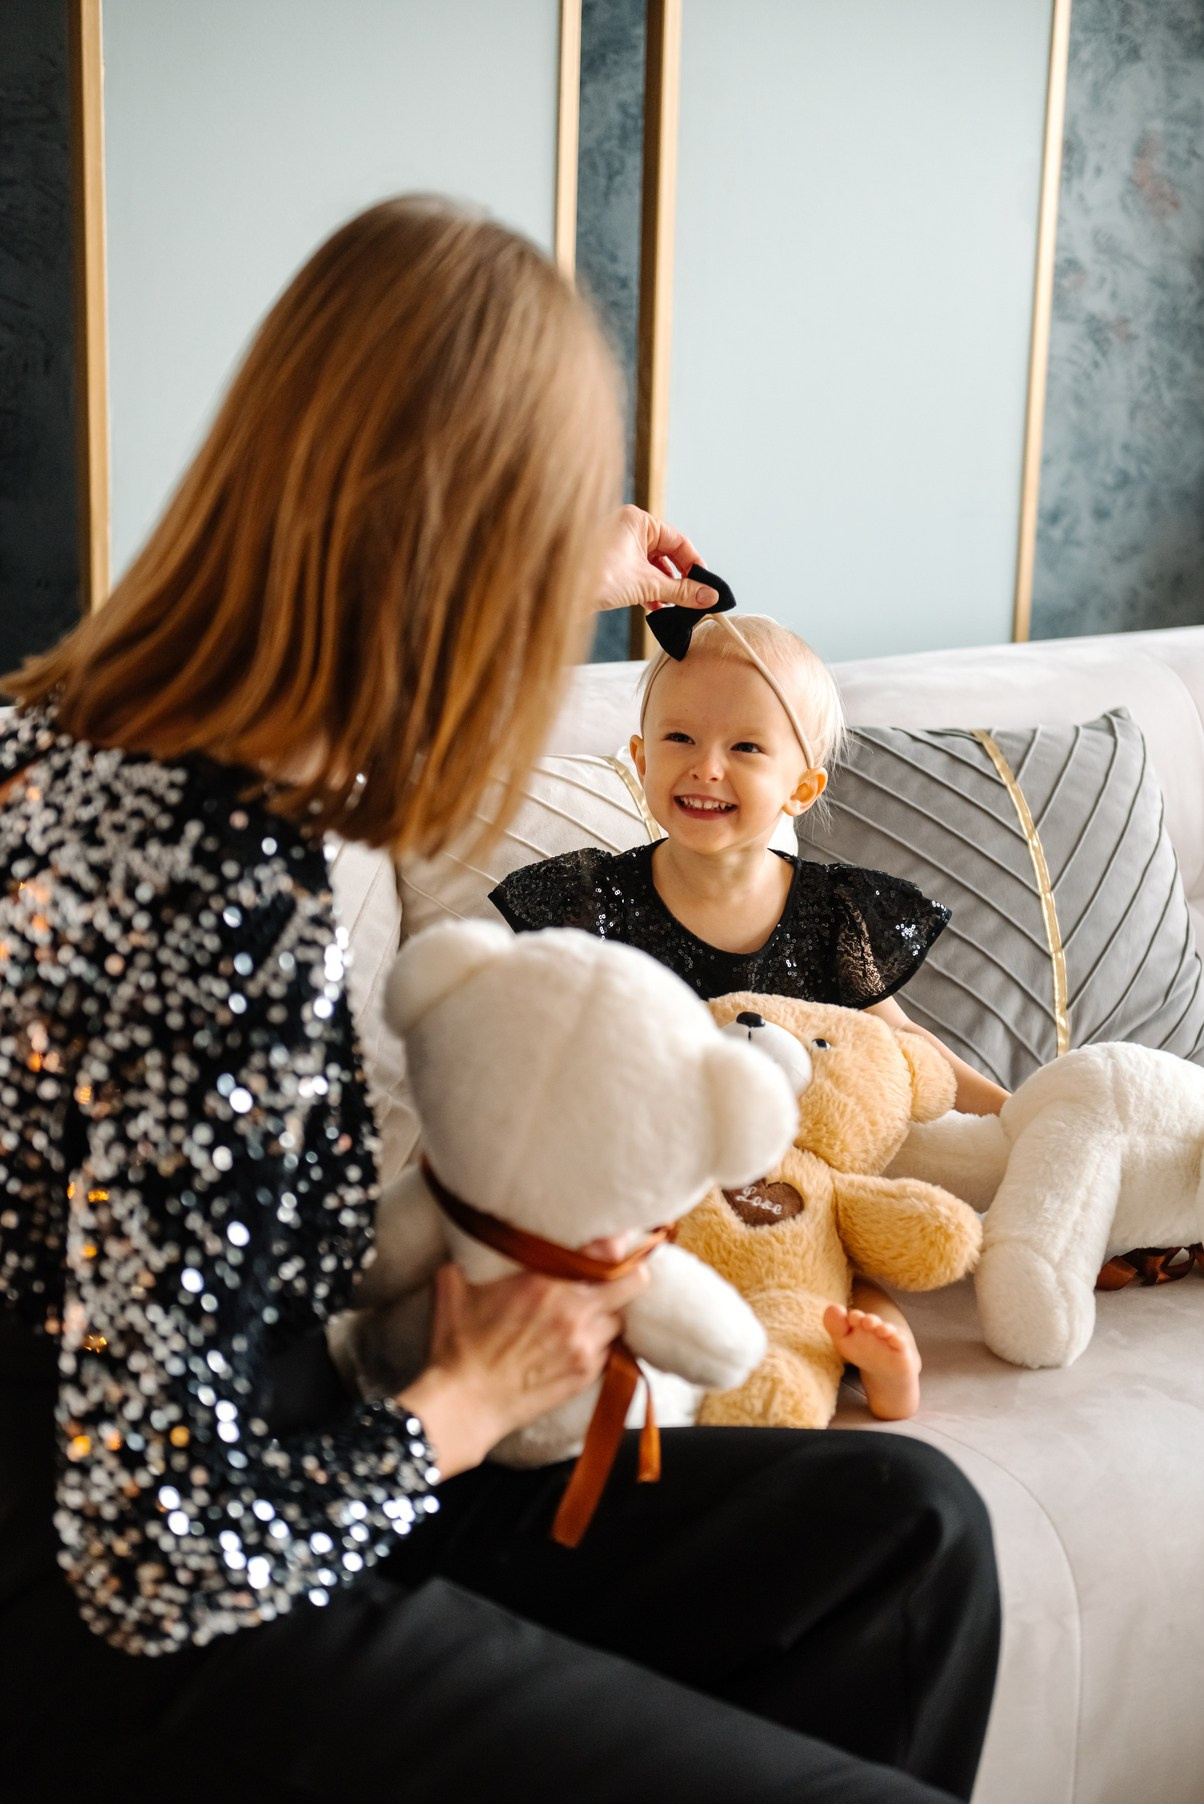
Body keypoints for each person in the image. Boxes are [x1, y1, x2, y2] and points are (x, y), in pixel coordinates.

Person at [0, 196, 999, 1804]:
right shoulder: (198, 864)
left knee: (910, 1541)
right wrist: (470, 1400)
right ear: (451, 550)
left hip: (295, 1457)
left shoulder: (101, 736)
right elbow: (157, 1559)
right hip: (158, 1621)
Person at [491, 612, 1009, 1421]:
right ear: (639, 758)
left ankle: (883, 1366)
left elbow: (902, 1045)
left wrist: (1016, 1115)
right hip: (656, 1184)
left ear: (803, 787)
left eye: (745, 748)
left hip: (799, 1194)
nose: (706, 768)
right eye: (679, 739)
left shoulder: (835, 911)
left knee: (848, 1278)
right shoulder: (593, 903)